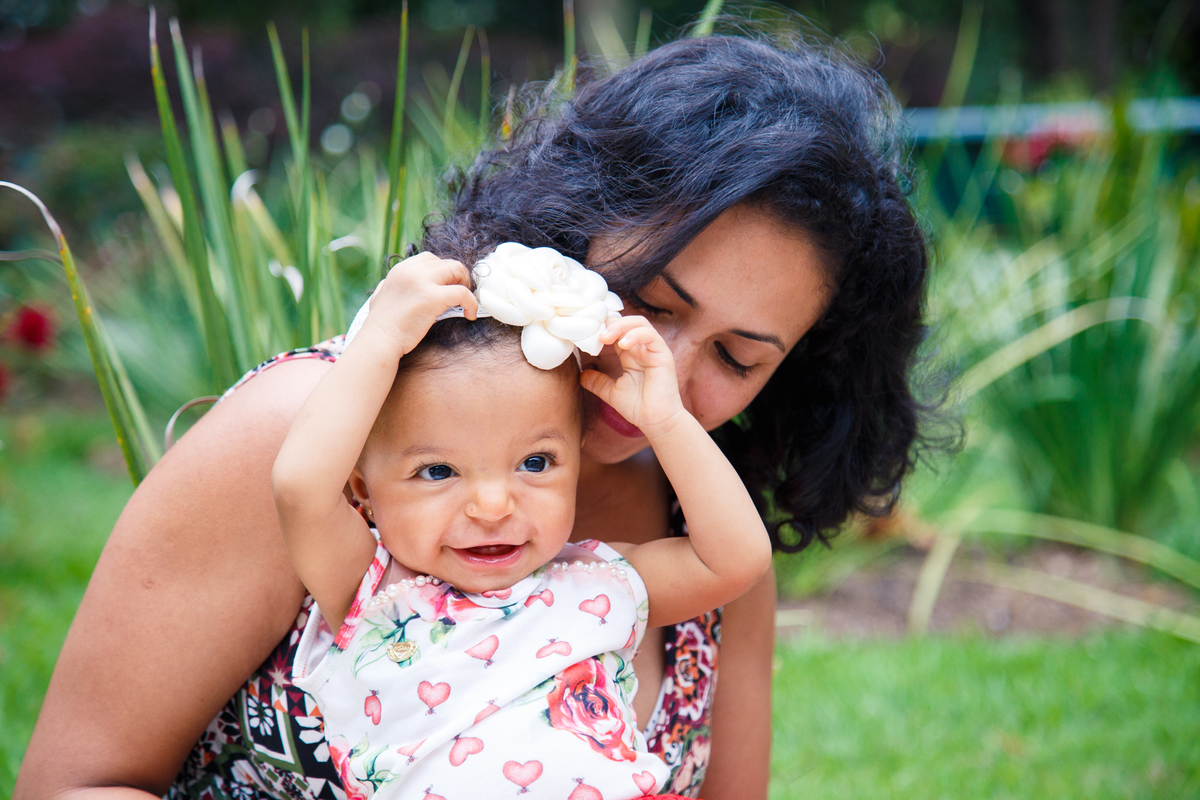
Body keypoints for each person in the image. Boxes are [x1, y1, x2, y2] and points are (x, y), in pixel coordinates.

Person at [16, 29, 931, 800]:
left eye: (738, 357)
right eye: (651, 299)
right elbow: (68, 786)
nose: (663, 366)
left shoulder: (706, 555)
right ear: (577, 221)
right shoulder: (315, 437)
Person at [275, 242, 771, 798]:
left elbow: (736, 560)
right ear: (363, 490)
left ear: (576, 464)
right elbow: (301, 488)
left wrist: (667, 421)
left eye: (535, 463)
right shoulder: (371, 593)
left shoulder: (598, 584)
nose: (493, 506)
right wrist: (378, 345)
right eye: (437, 471)